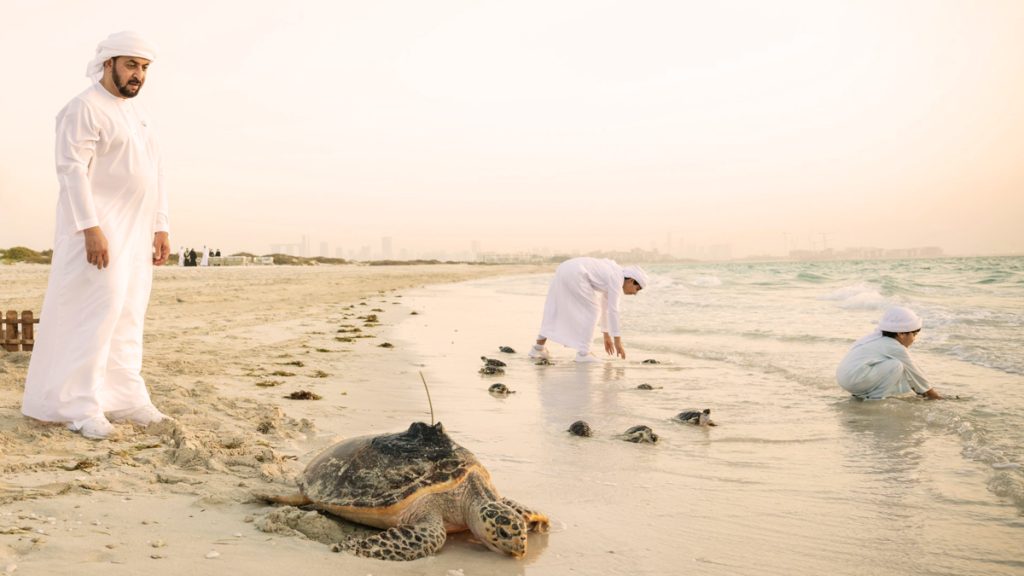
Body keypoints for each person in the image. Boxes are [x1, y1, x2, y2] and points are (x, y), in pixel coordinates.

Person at [22, 31, 170, 440]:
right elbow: (71, 170)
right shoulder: (83, 108)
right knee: (95, 313)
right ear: (108, 64)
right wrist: (90, 228)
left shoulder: (140, 116)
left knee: (128, 313)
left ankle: (125, 398)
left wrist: (161, 226)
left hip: (137, 232)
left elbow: (156, 174)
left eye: (143, 68)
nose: (138, 75)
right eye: (131, 65)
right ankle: (79, 406)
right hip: (96, 230)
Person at [529, 257, 648, 363]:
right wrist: (618, 341)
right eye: (636, 289)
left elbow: (606, 306)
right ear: (631, 280)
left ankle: (537, 348)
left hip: (564, 268)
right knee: (594, 310)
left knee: (555, 308)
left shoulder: (614, 273)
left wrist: (606, 335)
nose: (635, 293)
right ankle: (583, 353)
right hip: (576, 272)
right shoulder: (617, 278)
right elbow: (613, 310)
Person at [836, 306, 943, 400]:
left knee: (896, 365)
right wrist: (934, 396)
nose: (914, 339)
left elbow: (910, 373)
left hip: (846, 378)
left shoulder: (876, 339)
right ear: (901, 333)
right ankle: (875, 398)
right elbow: (914, 371)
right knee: (896, 365)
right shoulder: (893, 346)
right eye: (914, 335)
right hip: (854, 379)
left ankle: (863, 394)